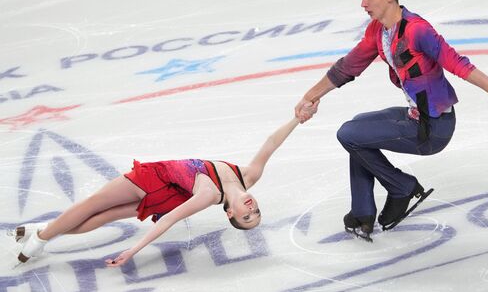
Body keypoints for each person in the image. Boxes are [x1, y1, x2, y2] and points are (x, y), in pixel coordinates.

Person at [294, 0, 488, 241]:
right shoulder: (378, 31)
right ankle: (362, 213)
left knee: (349, 134)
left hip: (433, 128)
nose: (362, 3)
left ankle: (402, 187)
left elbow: (457, 63)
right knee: (357, 126)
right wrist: (310, 97)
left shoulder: (417, 30)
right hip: (416, 115)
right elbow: (347, 67)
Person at [13, 109, 317, 267]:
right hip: (171, 193)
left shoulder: (210, 195)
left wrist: (132, 250)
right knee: (105, 216)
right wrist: (296, 119)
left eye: (247, 218)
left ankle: (40, 238)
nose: (252, 210)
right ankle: (45, 229)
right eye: (257, 212)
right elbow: (271, 143)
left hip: (154, 182)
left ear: (230, 214)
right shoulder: (249, 176)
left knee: (93, 204)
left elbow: (170, 221)